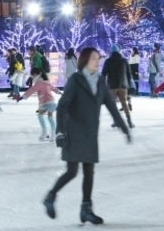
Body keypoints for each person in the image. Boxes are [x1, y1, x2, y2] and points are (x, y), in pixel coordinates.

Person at [42, 47, 131, 225]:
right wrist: (60, 131)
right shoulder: (76, 80)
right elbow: (62, 107)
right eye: (94, 58)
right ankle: (50, 197)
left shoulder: (99, 81)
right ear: (84, 60)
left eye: (98, 58)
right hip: (73, 133)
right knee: (72, 171)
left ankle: (86, 209)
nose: (98, 62)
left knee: (89, 171)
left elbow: (111, 106)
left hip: (90, 133)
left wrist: (124, 126)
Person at [16, 67, 61, 141]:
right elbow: (51, 87)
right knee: (40, 116)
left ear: (35, 74)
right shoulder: (43, 80)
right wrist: (58, 91)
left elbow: (32, 90)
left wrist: (22, 97)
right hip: (44, 101)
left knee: (49, 117)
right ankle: (45, 132)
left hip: (49, 101)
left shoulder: (39, 82)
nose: (31, 77)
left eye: (32, 75)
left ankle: (53, 133)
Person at [101, 44, 135, 128]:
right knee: (124, 103)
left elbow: (103, 74)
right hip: (123, 86)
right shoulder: (124, 61)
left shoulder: (108, 61)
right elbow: (129, 74)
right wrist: (128, 84)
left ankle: (115, 121)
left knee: (113, 104)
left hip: (112, 86)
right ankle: (129, 121)